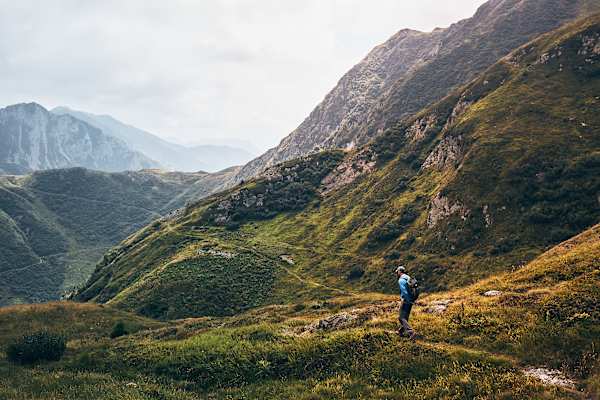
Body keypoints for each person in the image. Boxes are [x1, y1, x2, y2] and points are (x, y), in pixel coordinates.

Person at [395, 265, 417, 340]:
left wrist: (406, 300)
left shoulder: (401, 280)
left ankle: (411, 332)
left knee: (401, 318)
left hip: (406, 300)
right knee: (405, 317)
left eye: (397, 272)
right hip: (411, 300)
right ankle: (400, 331)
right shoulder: (408, 278)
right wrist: (412, 300)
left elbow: (404, 291)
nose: (397, 273)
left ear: (400, 271)